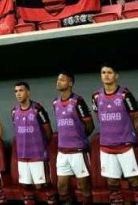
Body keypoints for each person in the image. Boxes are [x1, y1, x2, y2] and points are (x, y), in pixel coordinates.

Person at [91, 64, 138, 204]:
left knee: (134, 180)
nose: (106, 75)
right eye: (103, 72)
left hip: (126, 145)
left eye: (109, 72)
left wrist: (133, 141)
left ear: (116, 75)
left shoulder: (125, 94)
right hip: (106, 146)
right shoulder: (96, 96)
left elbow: (137, 120)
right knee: (112, 182)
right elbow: (98, 116)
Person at [11, 82, 56, 205]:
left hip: (38, 155)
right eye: (16, 91)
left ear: (28, 92)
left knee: (43, 187)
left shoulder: (37, 109)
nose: (18, 94)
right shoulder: (14, 111)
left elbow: (48, 131)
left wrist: (40, 146)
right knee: (26, 188)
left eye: (21, 90)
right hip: (22, 156)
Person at [53, 72, 94, 205]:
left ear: (70, 83)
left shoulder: (78, 101)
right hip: (62, 152)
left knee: (84, 186)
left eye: (62, 80)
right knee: (62, 186)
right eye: (58, 80)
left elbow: (90, 125)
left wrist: (79, 137)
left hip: (78, 151)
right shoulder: (55, 103)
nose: (58, 82)